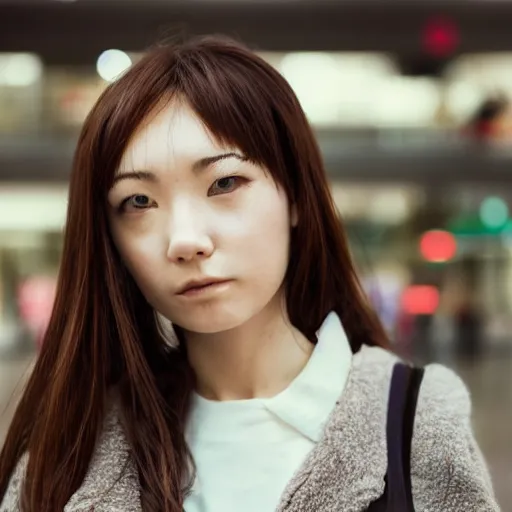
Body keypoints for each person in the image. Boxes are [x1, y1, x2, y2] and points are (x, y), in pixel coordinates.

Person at [0, 36, 499, 512]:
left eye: (225, 182)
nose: (185, 239)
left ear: (296, 196)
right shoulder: (71, 448)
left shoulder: (416, 426)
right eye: (138, 201)